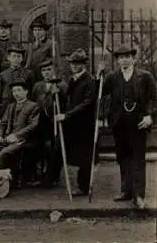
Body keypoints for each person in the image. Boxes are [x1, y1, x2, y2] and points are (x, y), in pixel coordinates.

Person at [97, 45, 156, 209]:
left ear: (133, 59)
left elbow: (154, 98)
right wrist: (99, 75)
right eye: (120, 57)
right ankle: (126, 190)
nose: (124, 59)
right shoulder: (112, 77)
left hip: (138, 123)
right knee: (123, 157)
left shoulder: (145, 77)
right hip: (118, 123)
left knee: (138, 158)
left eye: (127, 56)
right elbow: (99, 92)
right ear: (117, 60)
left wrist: (150, 116)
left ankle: (138, 195)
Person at [54, 48, 96, 197]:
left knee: (85, 156)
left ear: (83, 64)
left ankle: (83, 187)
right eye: (72, 63)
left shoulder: (89, 80)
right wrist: (57, 92)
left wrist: (67, 115)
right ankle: (52, 179)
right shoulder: (72, 79)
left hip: (84, 124)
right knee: (64, 149)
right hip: (72, 124)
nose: (73, 66)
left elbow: (87, 104)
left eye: (77, 63)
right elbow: (68, 99)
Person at [0, 79, 39, 179]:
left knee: (5, 152)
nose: (15, 93)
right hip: (7, 139)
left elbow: (33, 126)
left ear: (26, 91)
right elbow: (2, 123)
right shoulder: (10, 106)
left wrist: (17, 136)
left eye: (18, 90)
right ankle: (3, 177)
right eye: (14, 91)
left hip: (24, 140)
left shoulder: (33, 106)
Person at [30, 59, 68, 188]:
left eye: (49, 70)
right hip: (41, 122)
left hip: (56, 121)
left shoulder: (61, 85)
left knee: (55, 149)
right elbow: (34, 102)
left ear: (54, 70)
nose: (46, 73)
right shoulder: (37, 86)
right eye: (44, 70)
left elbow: (66, 103)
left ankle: (54, 176)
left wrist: (59, 94)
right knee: (41, 148)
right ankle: (42, 173)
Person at [0, 46, 35, 126]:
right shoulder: (2, 75)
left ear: (22, 59)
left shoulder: (29, 74)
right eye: (14, 56)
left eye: (19, 56)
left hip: (23, 109)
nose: (16, 59)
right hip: (5, 109)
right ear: (8, 57)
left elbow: (32, 93)